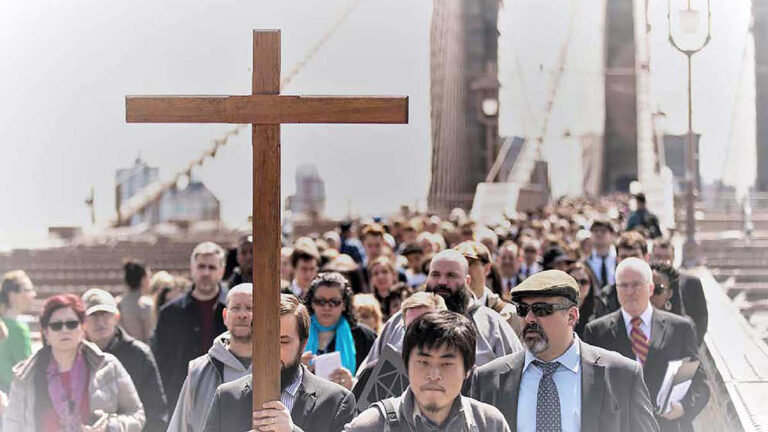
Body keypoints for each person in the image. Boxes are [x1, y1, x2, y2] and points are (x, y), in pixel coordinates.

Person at [470, 270, 659, 432]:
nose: (529, 318)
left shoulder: (621, 374)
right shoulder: (488, 379)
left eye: (541, 309)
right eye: (522, 309)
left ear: (572, 316)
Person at [584, 258, 710, 432]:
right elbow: (588, 389)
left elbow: (699, 384)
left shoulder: (680, 328)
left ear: (651, 288)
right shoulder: (596, 332)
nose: (629, 292)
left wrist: (683, 409)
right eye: (623, 285)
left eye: (636, 285)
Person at [358, 249, 522, 378]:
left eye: (451, 275)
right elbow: (366, 375)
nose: (442, 282)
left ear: (467, 282)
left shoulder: (492, 324)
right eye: (435, 275)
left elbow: (516, 375)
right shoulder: (399, 322)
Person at [202, 294, 356, 432]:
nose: (272, 350)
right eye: (264, 340)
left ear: (302, 344)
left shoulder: (337, 401)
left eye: (283, 341)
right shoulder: (227, 396)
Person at [345, 311, 511, 431]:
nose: (434, 375)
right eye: (423, 362)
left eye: (446, 364)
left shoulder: (488, 423)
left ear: (467, 369)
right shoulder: (372, 426)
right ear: (406, 364)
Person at [4, 294, 145, 432]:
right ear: (46, 333)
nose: (64, 330)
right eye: (56, 325)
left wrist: (109, 427)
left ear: (82, 329)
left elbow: (136, 414)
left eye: (72, 324)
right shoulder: (26, 375)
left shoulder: (108, 366)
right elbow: (12, 425)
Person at [167, 283, 253, 432]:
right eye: (236, 308)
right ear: (225, 316)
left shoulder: (277, 369)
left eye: (250, 308)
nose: (242, 314)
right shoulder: (199, 371)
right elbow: (179, 427)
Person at [152, 241, 228, 408]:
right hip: (182, 399)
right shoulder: (170, 313)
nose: (206, 272)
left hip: (227, 398)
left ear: (222, 271)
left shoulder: (235, 310)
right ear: (192, 269)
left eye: (212, 267)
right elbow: (161, 362)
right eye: (201, 266)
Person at [81, 288, 168, 432]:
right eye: (93, 316)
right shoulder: (74, 356)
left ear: (116, 317)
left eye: (105, 314)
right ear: (82, 322)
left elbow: (156, 413)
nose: (100, 321)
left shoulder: (139, 354)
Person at [351, 292, 448, 401]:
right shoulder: (375, 373)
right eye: (410, 328)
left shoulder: (457, 372)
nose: (417, 334)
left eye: (425, 326)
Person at [301, 272, 376, 390]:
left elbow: (375, 381)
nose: (327, 307)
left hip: (351, 405)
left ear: (344, 305)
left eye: (334, 302)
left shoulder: (364, 336)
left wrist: (353, 383)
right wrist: (296, 370)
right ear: (312, 303)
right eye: (320, 301)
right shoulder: (298, 332)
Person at [651, 239, 708, 346]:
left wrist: (692, 345)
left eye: (667, 257)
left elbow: (701, 318)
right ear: (652, 257)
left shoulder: (691, 282)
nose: (663, 261)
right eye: (658, 257)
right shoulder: (644, 282)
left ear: (673, 258)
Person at [454, 241, 519, 332]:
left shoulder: (508, 314)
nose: (465, 269)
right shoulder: (443, 308)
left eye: (471, 264)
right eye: (459, 264)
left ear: (487, 269)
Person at [0, 271, 35, 393]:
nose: (33, 294)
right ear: (13, 296)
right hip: (12, 398)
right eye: (27, 290)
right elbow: (27, 373)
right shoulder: (19, 329)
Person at [118, 259, 154, 344]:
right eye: (149, 277)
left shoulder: (118, 303)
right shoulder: (147, 305)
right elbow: (150, 337)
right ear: (143, 279)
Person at [567, 262, 606, 337]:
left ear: (590, 285)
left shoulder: (599, 309)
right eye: (574, 280)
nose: (578, 285)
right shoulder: (556, 307)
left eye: (583, 282)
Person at [585, 218, 617, 288]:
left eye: (603, 231)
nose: (599, 234)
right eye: (595, 231)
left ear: (612, 234)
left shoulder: (619, 258)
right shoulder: (586, 262)